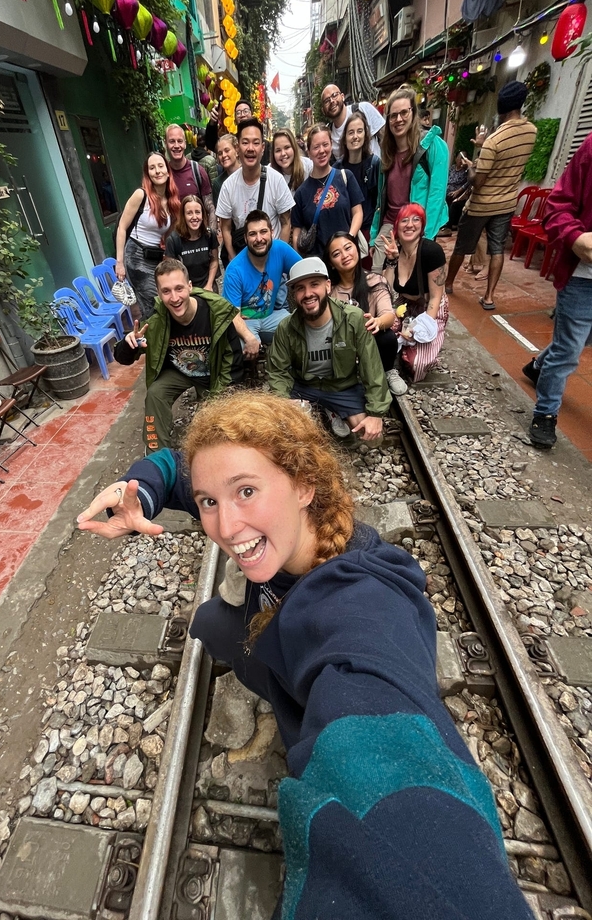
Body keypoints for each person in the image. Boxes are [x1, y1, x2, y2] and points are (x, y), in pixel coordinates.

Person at [77, 395, 532, 920]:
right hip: (278, 645)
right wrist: (143, 491)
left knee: (212, 623)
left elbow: (395, 774)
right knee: (207, 621)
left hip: (299, 667)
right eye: (209, 502)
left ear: (303, 486)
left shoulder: (359, 606)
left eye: (247, 492)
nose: (225, 527)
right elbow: (175, 468)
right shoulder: (278, 526)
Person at [112, 259, 258, 453]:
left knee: (218, 429)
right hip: (180, 373)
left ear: (190, 287)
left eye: (179, 288)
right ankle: (157, 455)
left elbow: (233, 367)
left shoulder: (216, 314)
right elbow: (123, 358)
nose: (174, 298)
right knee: (156, 393)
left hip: (212, 374)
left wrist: (213, 404)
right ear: (159, 293)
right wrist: (129, 344)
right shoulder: (157, 320)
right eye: (166, 291)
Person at [268, 256, 390, 440]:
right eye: (300, 288)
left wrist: (376, 413)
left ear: (327, 286)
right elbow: (277, 370)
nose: (308, 293)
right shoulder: (286, 327)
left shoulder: (354, 319)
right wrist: (283, 400)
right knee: (288, 434)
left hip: (342, 387)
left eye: (314, 284)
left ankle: (331, 409)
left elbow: (371, 366)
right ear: (294, 295)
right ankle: (320, 408)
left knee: (371, 438)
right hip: (304, 385)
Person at [524, 132, 592, 448]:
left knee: (574, 343)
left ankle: (539, 366)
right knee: (568, 351)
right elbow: (557, 206)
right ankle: (546, 414)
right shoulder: (590, 148)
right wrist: (575, 237)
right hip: (583, 276)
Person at [445, 82, 537, 307]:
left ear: (501, 106)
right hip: (506, 203)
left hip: (481, 205)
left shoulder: (494, 141)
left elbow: (478, 181)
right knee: (497, 249)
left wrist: (472, 163)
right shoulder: (531, 132)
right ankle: (489, 296)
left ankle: (447, 284)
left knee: (462, 246)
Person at [370, 87, 449, 273]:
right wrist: (375, 236)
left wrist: (426, 237)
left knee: (414, 284)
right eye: (393, 115)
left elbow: (437, 195)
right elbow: (381, 202)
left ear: (413, 113)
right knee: (378, 281)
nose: (398, 119)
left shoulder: (433, 146)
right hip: (390, 226)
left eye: (404, 112)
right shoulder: (387, 153)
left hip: (416, 225)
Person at [325, 232, 406, 396]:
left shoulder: (375, 281)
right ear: (331, 263)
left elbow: (389, 315)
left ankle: (388, 370)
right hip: (341, 346)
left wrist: (377, 322)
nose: (345, 255)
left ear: (357, 249)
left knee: (387, 337)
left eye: (348, 248)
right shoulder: (329, 289)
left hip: (369, 340)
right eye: (336, 254)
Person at [381, 203, 448, 383]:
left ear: (422, 225)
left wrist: (421, 327)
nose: (410, 225)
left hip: (429, 307)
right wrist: (391, 261)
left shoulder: (431, 251)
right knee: (382, 335)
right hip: (405, 306)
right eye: (404, 220)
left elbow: (436, 296)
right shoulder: (396, 251)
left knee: (415, 366)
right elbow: (384, 290)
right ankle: (404, 346)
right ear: (397, 226)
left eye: (416, 219)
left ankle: (421, 348)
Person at [216, 118, 294, 261]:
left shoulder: (276, 180)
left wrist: (278, 260)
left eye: (256, 143)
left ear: (263, 148)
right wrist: (235, 261)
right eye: (245, 142)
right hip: (245, 259)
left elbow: (286, 222)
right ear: (238, 148)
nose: (250, 148)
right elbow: (225, 228)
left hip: (273, 258)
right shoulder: (228, 186)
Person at [115, 152, 180, 320]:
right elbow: (122, 227)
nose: (157, 171)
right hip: (136, 256)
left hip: (155, 257)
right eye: (152, 168)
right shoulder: (141, 195)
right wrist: (119, 262)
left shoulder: (170, 200)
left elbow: (167, 232)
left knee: (162, 299)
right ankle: (149, 341)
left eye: (160, 166)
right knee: (151, 303)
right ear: (147, 173)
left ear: (167, 170)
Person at [222, 209, 301, 344]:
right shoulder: (234, 270)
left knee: (301, 330)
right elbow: (232, 315)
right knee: (243, 347)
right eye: (252, 234)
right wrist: (249, 338)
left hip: (272, 315)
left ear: (272, 233)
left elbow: (304, 271)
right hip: (244, 321)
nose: (259, 239)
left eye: (263, 232)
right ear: (246, 238)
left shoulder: (280, 249)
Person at [291, 124, 364, 260]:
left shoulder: (345, 177)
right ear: (309, 151)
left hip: (347, 258)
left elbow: (357, 212)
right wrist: (300, 262)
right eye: (316, 147)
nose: (322, 151)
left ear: (331, 145)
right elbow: (297, 233)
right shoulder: (301, 193)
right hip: (318, 264)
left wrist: (349, 241)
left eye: (325, 144)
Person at [334, 111, 381, 241]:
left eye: (359, 131)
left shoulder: (374, 164)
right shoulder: (337, 169)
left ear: (365, 135)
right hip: (343, 232)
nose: (355, 136)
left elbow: (380, 202)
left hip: (368, 232)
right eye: (351, 132)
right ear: (344, 138)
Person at [164, 124, 216, 231]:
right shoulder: (163, 174)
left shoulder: (197, 171)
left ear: (184, 144)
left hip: (197, 239)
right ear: (166, 144)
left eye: (180, 141)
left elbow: (210, 208)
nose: (177, 145)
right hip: (173, 241)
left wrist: (212, 237)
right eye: (172, 141)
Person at [165, 195, 219, 291]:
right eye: (189, 213)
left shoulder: (210, 235)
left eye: (198, 212)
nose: (194, 217)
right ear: (183, 216)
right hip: (185, 289)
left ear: (203, 214)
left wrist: (209, 285)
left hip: (208, 286)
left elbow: (214, 261)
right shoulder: (173, 240)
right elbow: (170, 271)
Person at [320, 84, 384, 160]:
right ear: (323, 110)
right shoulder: (328, 135)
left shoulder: (363, 109)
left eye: (334, 95)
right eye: (327, 101)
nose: (331, 101)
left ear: (342, 96)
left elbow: (386, 138)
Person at [437, 152, 471, 238]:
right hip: (446, 190)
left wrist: (458, 191)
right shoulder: (452, 168)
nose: (460, 160)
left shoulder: (466, 171)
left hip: (459, 193)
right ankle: (439, 223)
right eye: (459, 158)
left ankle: (447, 227)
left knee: (452, 201)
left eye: (462, 158)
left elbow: (468, 183)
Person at [270, 128, 313, 193]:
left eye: (287, 147)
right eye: (278, 150)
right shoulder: (268, 174)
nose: (283, 154)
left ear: (294, 148)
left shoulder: (308, 166)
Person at [212, 133, 240, 206]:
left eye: (227, 150)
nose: (224, 155)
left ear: (237, 150)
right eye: (220, 153)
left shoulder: (249, 174)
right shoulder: (218, 183)